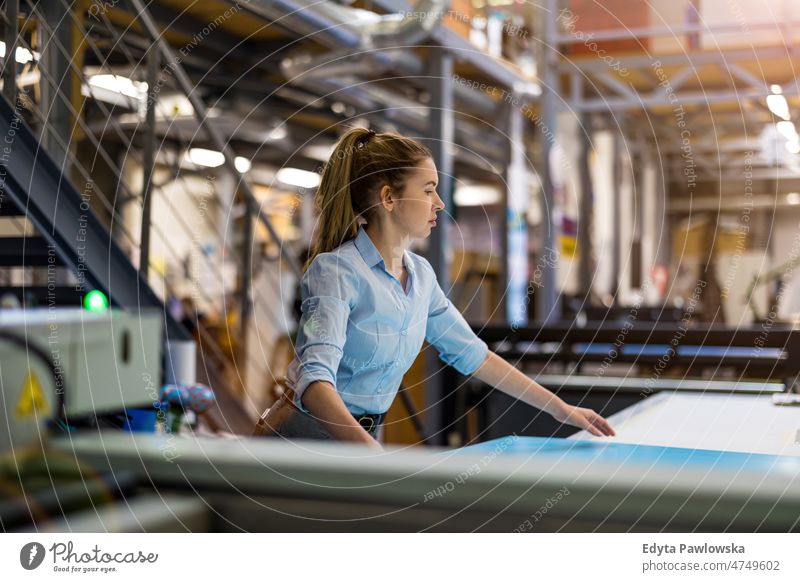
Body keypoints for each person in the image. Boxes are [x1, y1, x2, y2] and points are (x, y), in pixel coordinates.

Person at [255, 127, 615, 449]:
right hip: (301, 442)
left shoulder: (421, 276)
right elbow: (315, 384)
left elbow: (475, 356)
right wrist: (371, 457)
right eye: (428, 190)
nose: (440, 203)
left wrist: (561, 409)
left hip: (359, 441)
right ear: (388, 198)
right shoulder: (336, 271)